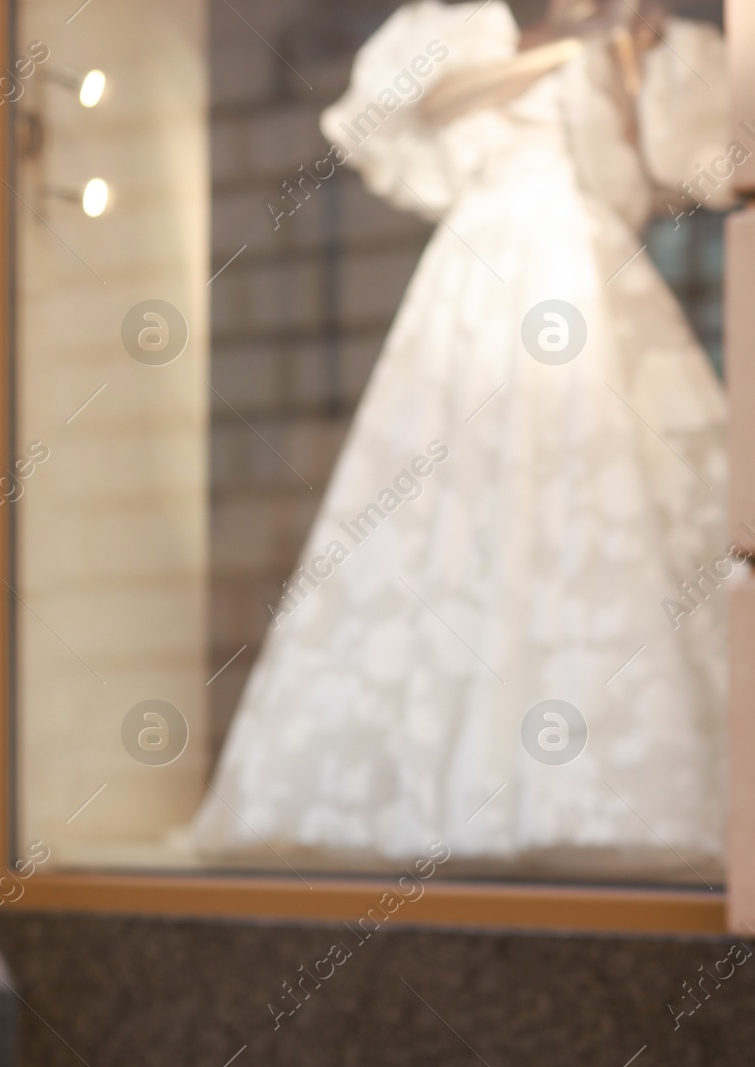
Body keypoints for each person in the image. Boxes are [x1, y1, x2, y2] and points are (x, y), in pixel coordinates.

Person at [181, 0, 732, 882]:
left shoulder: (645, 51)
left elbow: (682, 168)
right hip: (485, 274)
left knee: (594, 501)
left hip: (591, 266)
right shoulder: (468, 33)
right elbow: (425, 105)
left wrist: (626, 61)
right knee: (455, 505)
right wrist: (571, 53)